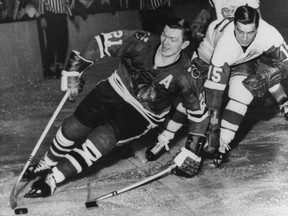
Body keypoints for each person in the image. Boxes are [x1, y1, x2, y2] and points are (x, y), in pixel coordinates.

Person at [23, 18, 210, 198]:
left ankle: (53, 177)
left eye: (173, 39)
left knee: (102, 140)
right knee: (71, 128)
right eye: (164, 35)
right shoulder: (142, 41)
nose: (165, 42)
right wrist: (75, 70)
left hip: (143, 113)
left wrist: (192, 150)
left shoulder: (187, 75)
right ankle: (47, 162)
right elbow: (100, 42)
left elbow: (199, 115)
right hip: (114, 88)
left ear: (184, 45)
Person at [145, 1, 288, 163]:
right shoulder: (226, 44)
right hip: (208, 59)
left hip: (245, 59)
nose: (245, 38)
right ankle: (164, 138)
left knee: (242, 94)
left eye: (251, 33)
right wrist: (213, 129)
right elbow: (215, 97)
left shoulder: (268, 33)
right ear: (234, 27)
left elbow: (286, 62)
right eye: (240, 32)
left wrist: (271, 78)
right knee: (190, 101)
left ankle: (224, 142)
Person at [38, 0, 75, 79]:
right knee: (51, 43)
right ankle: (49, 69)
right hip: (51, 16)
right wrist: (42, 17)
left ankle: (59, 68)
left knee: (63, 43)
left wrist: (72, 18)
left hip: (62, 17)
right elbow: (41, 3)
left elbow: (67, 5)